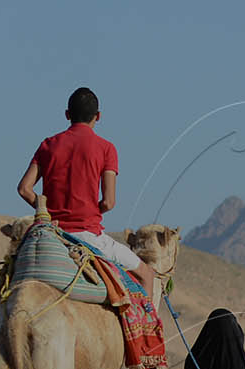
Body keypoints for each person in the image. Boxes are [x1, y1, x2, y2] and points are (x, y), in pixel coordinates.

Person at [17, 87, 158, 292]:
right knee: (147, 274)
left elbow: (24, 189)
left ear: (67, 114)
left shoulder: (48, 145)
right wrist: (86, 210)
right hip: (87, 235)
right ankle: (145, 324)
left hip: (51, 231)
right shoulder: (106, 148)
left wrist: (47, 213)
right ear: (98, 116)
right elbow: (109, 202)